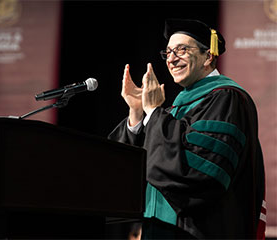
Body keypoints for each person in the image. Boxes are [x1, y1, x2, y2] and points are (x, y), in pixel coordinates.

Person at [108, 19, 266, 239]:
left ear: (208, 56)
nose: (171, 58)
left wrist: (154, 112)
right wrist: (137, 114)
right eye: (169, 52)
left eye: (182, 50)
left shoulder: (226, 98)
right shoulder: (176, 110)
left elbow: (198, 172)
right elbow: (138, 166)